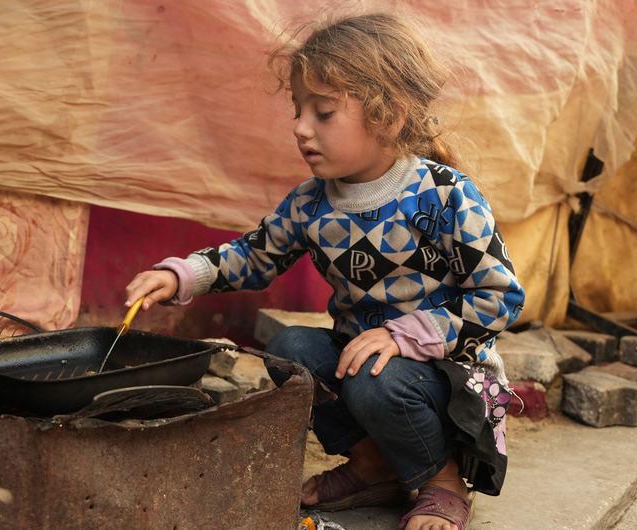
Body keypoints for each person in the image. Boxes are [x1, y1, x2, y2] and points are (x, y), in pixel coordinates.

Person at [123, 13, 524, 530]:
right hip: (367, 371)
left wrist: (407, 335)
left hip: (450, 384)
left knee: (379, 377)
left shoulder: (445, 194)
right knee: (291, 349)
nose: (300, 127)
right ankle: (373, 465)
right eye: (298, 110)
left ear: (390, 115)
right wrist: (184, 275)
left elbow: (501, 297)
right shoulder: (312, 203)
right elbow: (256, 254)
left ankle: (442, 481)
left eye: (324, 112)